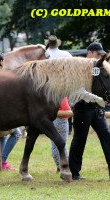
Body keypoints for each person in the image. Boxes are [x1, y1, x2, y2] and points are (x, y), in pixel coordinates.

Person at [69, 42, 110, 180]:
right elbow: (79, 90)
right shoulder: (80, 67)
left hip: (97, 108)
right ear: (90, 52)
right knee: (79, 140)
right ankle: (74, 173)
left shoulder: (98, 66)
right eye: (98, 54)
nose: (99, 57)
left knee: (107, 137)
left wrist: (100, 100)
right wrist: (98, 99)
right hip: (82, 107)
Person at [45, 35, 73, 172]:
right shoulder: (66, 54)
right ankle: (63, 165)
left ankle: (60, 165)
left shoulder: (45, 54)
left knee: (56, 144)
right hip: (62, 111)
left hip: (49, 92)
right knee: (62, 143)